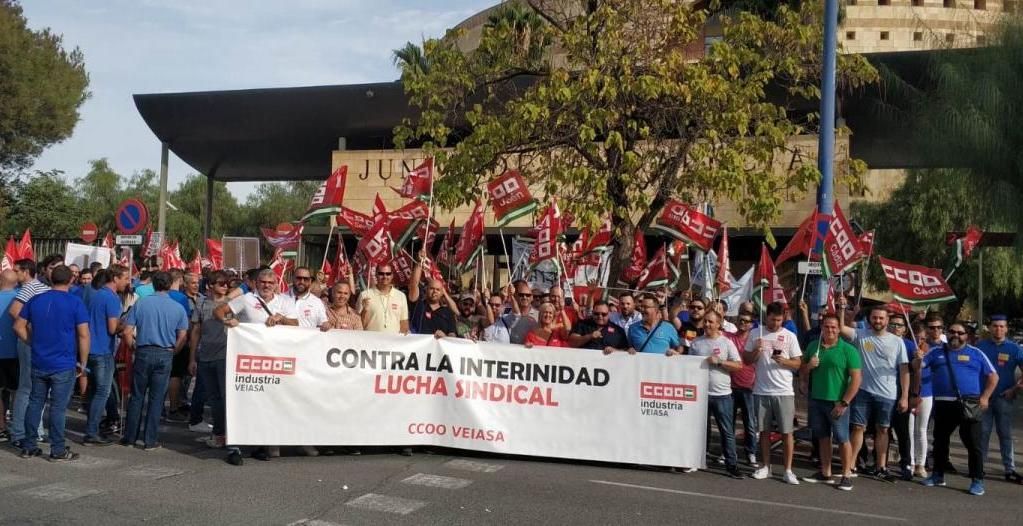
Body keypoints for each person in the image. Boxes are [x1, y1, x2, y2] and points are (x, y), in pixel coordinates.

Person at [215, 269, 298, 463]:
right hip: (246, 360)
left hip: (272, 361)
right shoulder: (246, 299)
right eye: (262, 282)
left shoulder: (285, 302)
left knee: (265, 402)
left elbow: (295, 323)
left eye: (270, 282)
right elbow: (218, 311)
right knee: (238, 401)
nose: (266, 285)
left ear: (276, 283)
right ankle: (233, 448)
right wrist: (229, 320)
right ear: (256, 283)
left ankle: (259, 445)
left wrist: (281, 318)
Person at [12, 265, 89, 461]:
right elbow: (83, 334)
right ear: (71, 280)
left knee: (35, 402)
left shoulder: (36, 299)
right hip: (63, 362)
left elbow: (18, 326)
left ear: (51, 278)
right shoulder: (75, 302)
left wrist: (32, 341)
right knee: (58, 407)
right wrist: (83, 361)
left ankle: (29, 445)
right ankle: (58, 449)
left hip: (39, 360)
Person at [918, 321, 999, 496]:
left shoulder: (976, 353)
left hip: (968, 404)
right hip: (942, 403)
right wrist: (917, 359)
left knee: (973, 444)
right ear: (946, 333)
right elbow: (918, 368)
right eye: (952, 331)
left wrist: (985, 397)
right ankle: (937, 475)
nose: (956, 335)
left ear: (967, 336)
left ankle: (977, 480)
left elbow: (993, 376)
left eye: (960, 333)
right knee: (940, 441)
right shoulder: (935, 352)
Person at [120, 271, 189, 451]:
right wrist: (174, 350)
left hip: (143, 351)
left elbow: (127, 331)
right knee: (157, 399)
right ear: (170, 285)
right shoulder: (178, 308)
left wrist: (133, 347)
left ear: (153, 285)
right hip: (165, 353)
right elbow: (183, 335)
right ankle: (150, 440)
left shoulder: (141, 303)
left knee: (137, 396)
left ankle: (129, 437)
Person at [839, 303, 909, 480]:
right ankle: (852, 465)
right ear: (869, 319)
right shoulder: (861, 335)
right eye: (874, 317)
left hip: (888, 393)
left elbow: (904, 371)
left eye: (881, 318)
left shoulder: (897, 342)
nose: (877, 320)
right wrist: (841, 308)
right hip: (862, 390)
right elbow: (840, 328)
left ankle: (881, 466)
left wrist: (905, 396)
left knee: (883, 429)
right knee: (857, 427)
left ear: (887, 320)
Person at [799, 313, 862, 490]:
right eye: (827, 326)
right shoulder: (813, 346)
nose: (830, 330)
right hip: (817, 399)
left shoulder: (848, 350)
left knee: (842, 439)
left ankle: (846, 474)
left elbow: (856, 379)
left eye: (834, 326)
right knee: (823, 437)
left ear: (839, 329)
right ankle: (825, 472)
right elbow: (802, 370)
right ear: (822, 327)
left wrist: (844, 402)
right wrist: (808, 368)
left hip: (837, 402)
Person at [745, 301, 802, 484]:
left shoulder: (790, 336)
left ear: (783, 318)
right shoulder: (756, 333)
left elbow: (798, 363)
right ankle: (765, 466)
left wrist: (784, 361)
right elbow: (746, 359)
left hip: (784, 391)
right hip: (761, 390)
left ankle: (788, 470)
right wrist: (756, 350)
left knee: (787, 432)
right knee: (764, 431)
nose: (776, 323)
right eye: (772, 319)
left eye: (779, 320)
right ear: (766, 317)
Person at [686, 310, 744, 478]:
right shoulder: (696, 343)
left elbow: (738, 365)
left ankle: (732, 464)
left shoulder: (726, 343)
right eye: (706, 321)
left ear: (719, 324)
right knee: (700, 430)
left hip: (722, 395)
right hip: (701, 394)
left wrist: (719, 361)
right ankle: (697, 459)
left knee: (726, 431)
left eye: (711, 322)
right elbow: (689, 365)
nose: (707, 324)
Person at [82, 264, 130, 446]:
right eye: (125, 278)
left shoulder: (96, 294)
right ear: (115, 278)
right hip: (102, 349)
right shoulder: (111, 298)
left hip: (90, 348)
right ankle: (91, 432)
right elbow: (112, 328)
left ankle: (91, 427)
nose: (127, 282)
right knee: (103, 391)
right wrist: (123, 324)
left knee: (95, 391)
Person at [7, 259, 51, 449]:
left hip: (30, 341)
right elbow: (15, 312)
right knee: (30, 388)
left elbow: (14, 311)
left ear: (26, 272)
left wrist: (31, 329)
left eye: (16, 271)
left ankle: (29, 431)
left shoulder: (29, 287)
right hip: (30, 341)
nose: (14, 274)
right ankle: (22, 431)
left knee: (32, 388)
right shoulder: (37, 287)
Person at [976, 314, 1023, 483]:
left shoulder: (1014, 348)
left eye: (1002, 326)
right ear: (990, 328)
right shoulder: (980, 347)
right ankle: (979, 467)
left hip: (1005, 398)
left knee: (1005, 434)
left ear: (1007, 328)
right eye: (995, 326)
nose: (998, 329)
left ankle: (1009, 469)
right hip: (985, 398)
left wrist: (1015, 388)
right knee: (983, 433)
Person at [189, 270, 231, 449]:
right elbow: (196, 331)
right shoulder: (202, 303)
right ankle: (218, 433)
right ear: (210, 286)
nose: (225, 286)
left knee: (225, 397)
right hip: (205, 356)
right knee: (214, 399)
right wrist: (192, 358)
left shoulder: (233, 304)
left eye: (226, 283)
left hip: (225, 357)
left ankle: (226, 433)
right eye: (221, 283)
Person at [727, 310, 758, 466]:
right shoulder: (728, 337)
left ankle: (751, 453)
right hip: (730, 386)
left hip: (749, 387)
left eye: (746, 321)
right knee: (728, 423)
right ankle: (728, 452)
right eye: (740, 320)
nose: (743, 323)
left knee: (750, 424)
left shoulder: (754, 341)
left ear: (751, 325)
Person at [407, 259, 457, 338]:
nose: (435, 292)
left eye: (438, 290)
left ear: (442, 293)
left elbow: (452, 335)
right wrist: (420, 262)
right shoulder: (418, 305)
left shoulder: (448, 312)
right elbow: (414, 284)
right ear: (426, 290)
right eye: (432, 288)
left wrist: (445, 337)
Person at [357, 264, 409, 334]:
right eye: (381, 273)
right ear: (376, 275)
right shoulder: (364, 295)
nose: (385, 276)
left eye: (388, 274)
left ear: (392, 275)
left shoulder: (401, 296)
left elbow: (404, 323)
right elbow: (358, 325)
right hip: (371, 342)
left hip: (394, 343)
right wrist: (364, 310)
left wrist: (401, 341)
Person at [0, 270, 20, 441]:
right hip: (15, 352)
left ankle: (1, 426)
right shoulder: (20, 298)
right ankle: (17, 424)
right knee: (17, 391)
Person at [504, 280, 539, 344]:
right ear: (516, 296)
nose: (524, 297)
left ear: (532, 297)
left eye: (528, 295)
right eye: (521, 295)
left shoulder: (539, 315)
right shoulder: (506, 312)